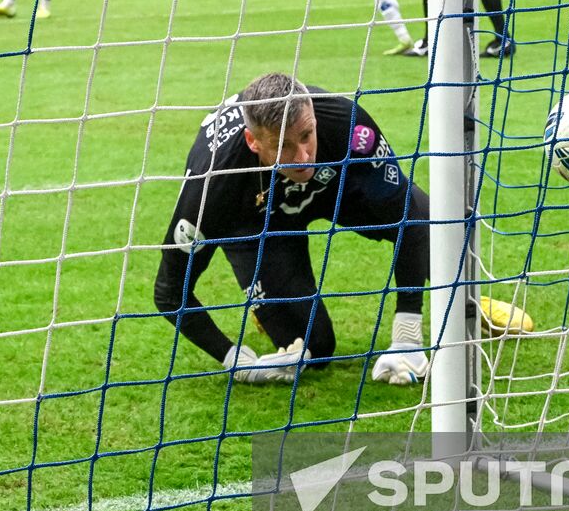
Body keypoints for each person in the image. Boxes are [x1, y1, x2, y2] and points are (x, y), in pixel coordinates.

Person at [153, 73, 431, 385]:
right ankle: (264, 300)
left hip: (331, 189)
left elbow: (407, 214)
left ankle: (469, 305)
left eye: (306, 136)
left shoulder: (344, 122)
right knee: (316, 347)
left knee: (439, 229)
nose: (302, 156)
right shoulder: (213, 182)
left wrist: (407, 333)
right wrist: (236, 360)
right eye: (282, 145)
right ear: (253, 142)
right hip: (256, 225)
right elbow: (170, 292)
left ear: (312, 114)